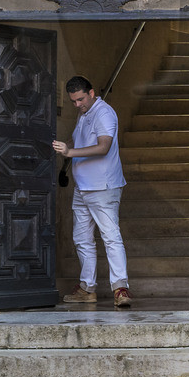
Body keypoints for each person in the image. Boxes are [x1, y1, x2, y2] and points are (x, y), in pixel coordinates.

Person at [52, 76, 130, 308]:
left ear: (92, 93)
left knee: (110, 236)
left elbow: (104, 146)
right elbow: (77, 140)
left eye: (81, 99)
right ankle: (87, 288)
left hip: (103, 187)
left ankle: (121, 289)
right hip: (83, 187)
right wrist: (66, 150)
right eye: (73, 101)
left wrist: (69, 153)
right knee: (82, 239)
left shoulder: (104, 113)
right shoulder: (84, 113)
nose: (77, 104)